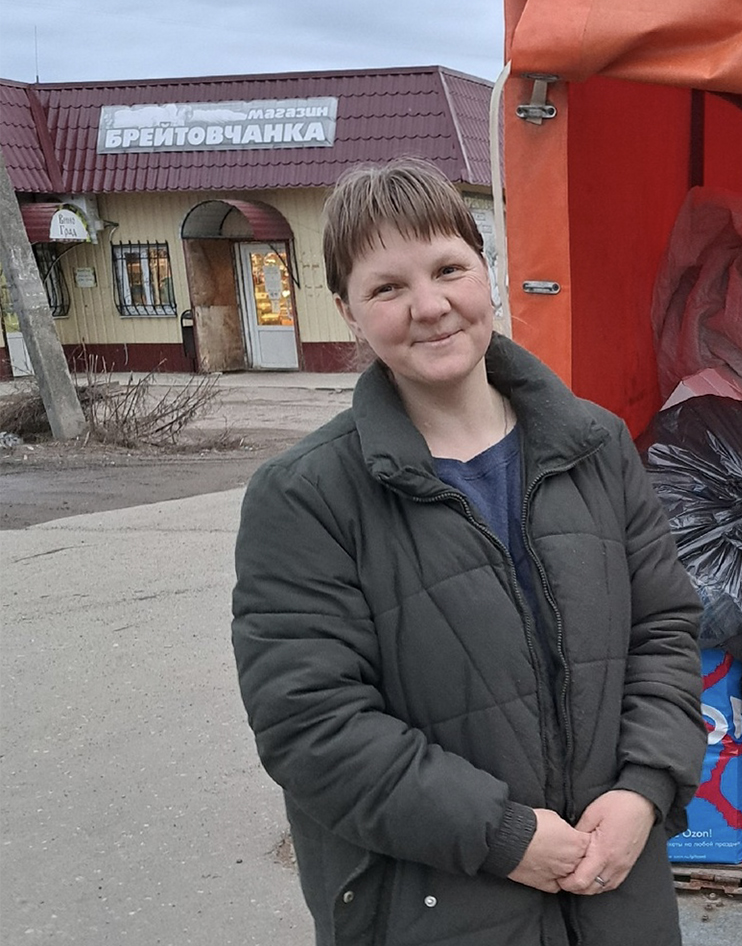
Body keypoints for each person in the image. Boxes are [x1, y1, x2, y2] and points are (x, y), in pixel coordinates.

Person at [230, 157, 705, 946]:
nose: (430, 306)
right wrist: (504, 835)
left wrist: (645, 790)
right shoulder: (305, 495)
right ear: (348, 310)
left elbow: (663, 630)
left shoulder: (596, 446)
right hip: (436, 906)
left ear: (486, 273)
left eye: (449, 268)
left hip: (617, 886)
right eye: (387, 288)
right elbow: (312, 724)